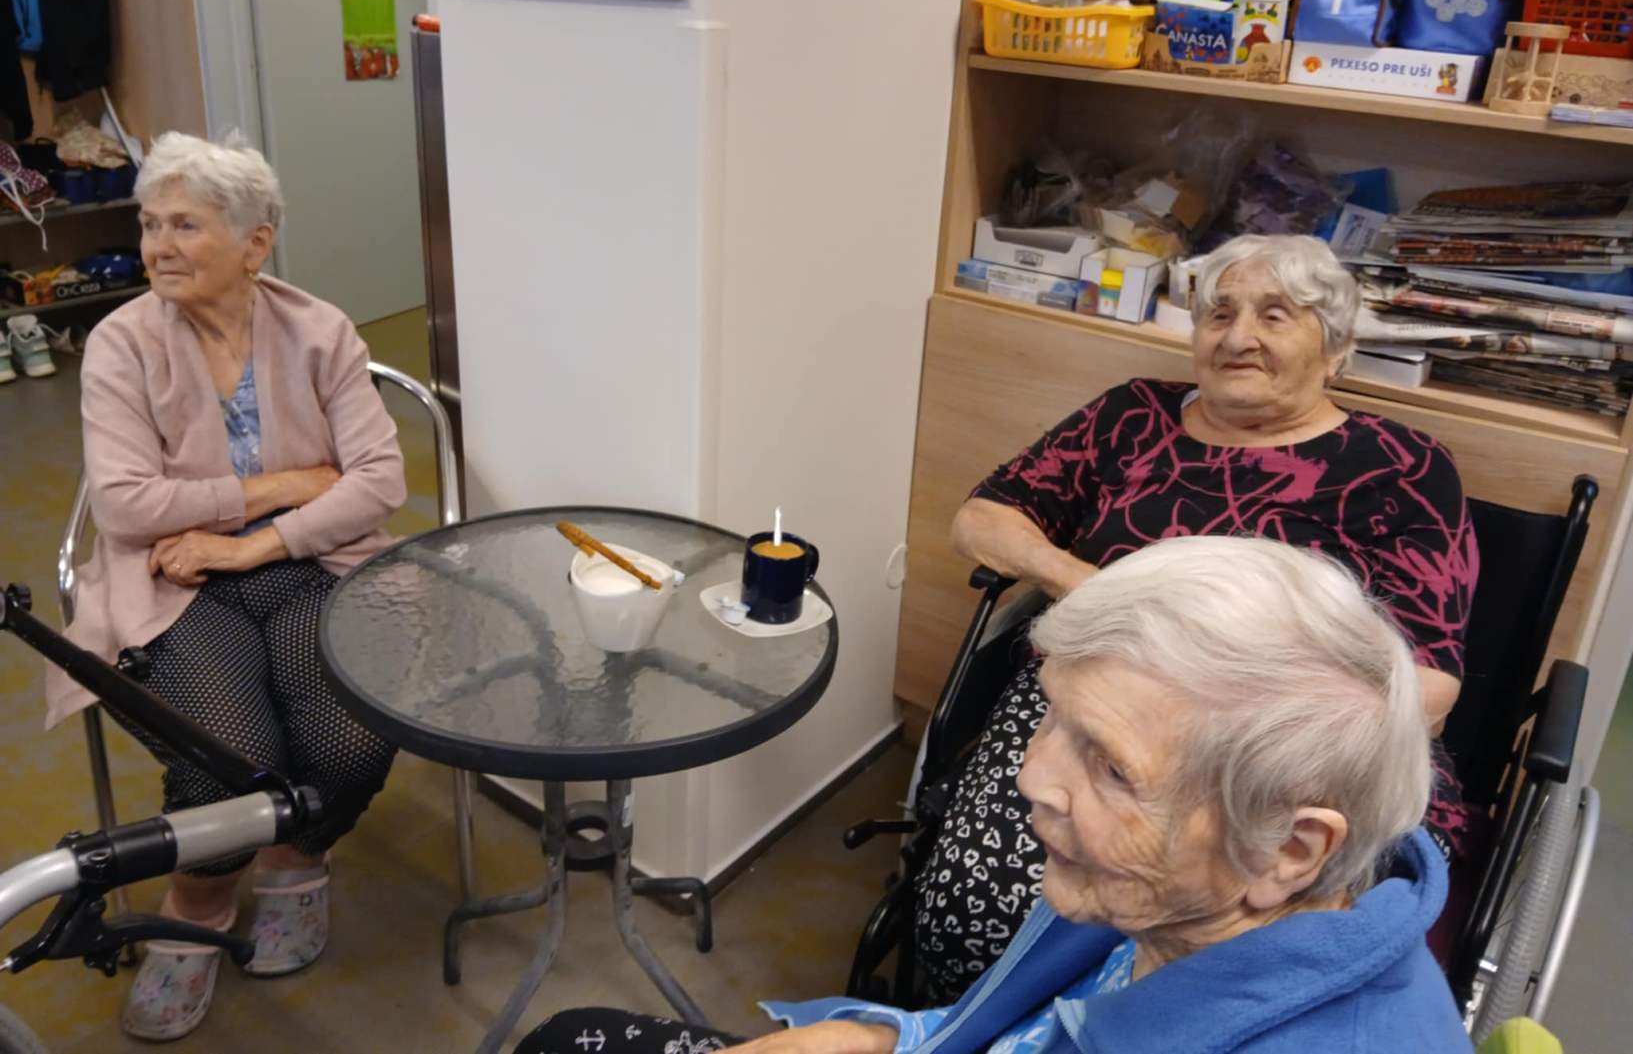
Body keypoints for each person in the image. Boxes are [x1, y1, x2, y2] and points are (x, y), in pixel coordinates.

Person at [522, 537, 1472, 1054]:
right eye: (1052, 717)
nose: (1030, 778)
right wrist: (877, 1039)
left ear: (1289, 848)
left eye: (1110, 766)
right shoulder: (1159, 895)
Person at [915, 233, 1478, 1000]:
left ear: (1335, 348)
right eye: (1217, 313)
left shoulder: (1401, 466)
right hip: (1098, 715)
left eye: (1273, 315)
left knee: (1247, 979)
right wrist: (1097, 588)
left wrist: (1227, 720)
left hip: (1288, 759)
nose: (1237, 336)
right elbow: (980, 520)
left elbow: (1427, 689)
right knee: (973, 917)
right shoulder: (1132, 416)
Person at [47, 132, 405, 1041]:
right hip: (173, 581)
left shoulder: (319, 329)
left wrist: (255, 543)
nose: (157, 247)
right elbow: (127, 505)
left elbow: (379, 480)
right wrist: (283, 484)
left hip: (312, 564)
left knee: (353, 737)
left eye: (184, 226)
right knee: (225, 758)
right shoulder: (121, 343)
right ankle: (199, 902)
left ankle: (294, 858)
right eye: (149, 224)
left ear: (256, 242)